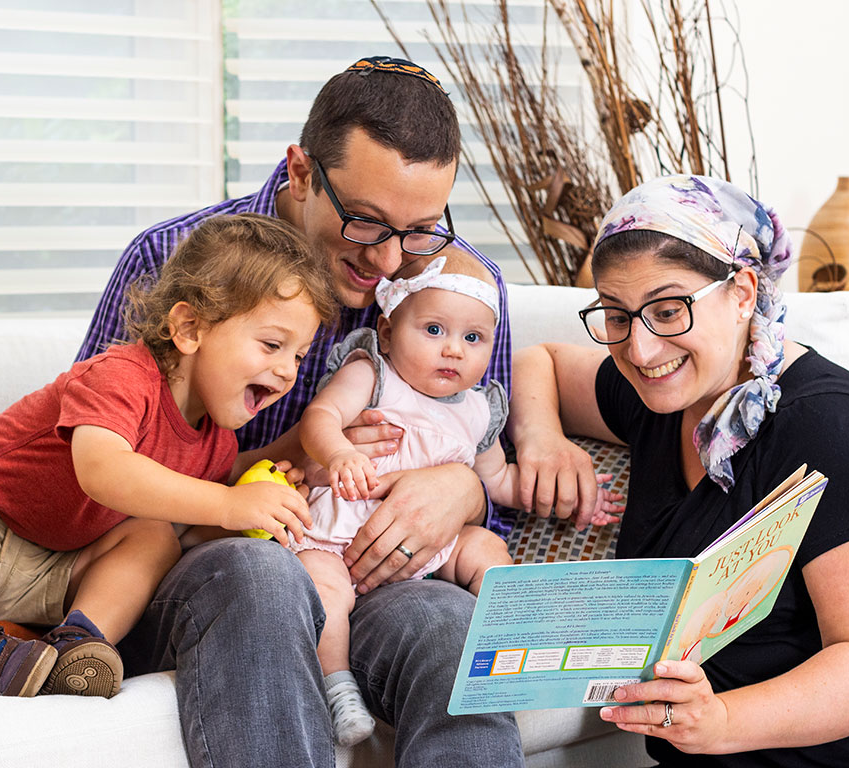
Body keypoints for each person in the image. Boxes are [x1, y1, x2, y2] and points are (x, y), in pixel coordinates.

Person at [78, 57, 531, 766]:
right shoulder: (169, 259)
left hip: (374, 575)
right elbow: (95, 490)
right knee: (263, 578)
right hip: (210, 570)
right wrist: (299, 452)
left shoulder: (455, 289)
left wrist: (465, 489)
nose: (388, 261)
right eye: (364, 222)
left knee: (451, 627)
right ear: (299, 172)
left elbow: (487, 474)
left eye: (420, 229)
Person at [508, 174, 849, 766]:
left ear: (741, 292)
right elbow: (542, 362)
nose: (640, 349)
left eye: (668, 310)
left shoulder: (840, 430)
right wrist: (542, 440)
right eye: (615, 315)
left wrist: (722, 722)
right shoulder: (660, 396)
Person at [0, 213, 334, 702]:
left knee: (155, 536)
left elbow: (189, 531)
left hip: (51, 569)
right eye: (272, 345)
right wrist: (228, 503)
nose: (287, 372)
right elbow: (103, 471)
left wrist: (258, 507)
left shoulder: (216, 442)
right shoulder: (121, 376)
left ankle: (75, 646)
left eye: (300, 356)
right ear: (189, 328)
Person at [297, 250, 624, 745]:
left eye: (473, 339)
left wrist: (567, 496)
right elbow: (319, 417)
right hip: (341, 533)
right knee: (326, 592)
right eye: (434, 330)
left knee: (487, 549)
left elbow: (498, 483)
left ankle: (524, 639)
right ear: (387, 332)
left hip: (431, 545)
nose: (453, 350)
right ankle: (338, 686)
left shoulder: (478, 409)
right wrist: (340, 453)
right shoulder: (372, 373)